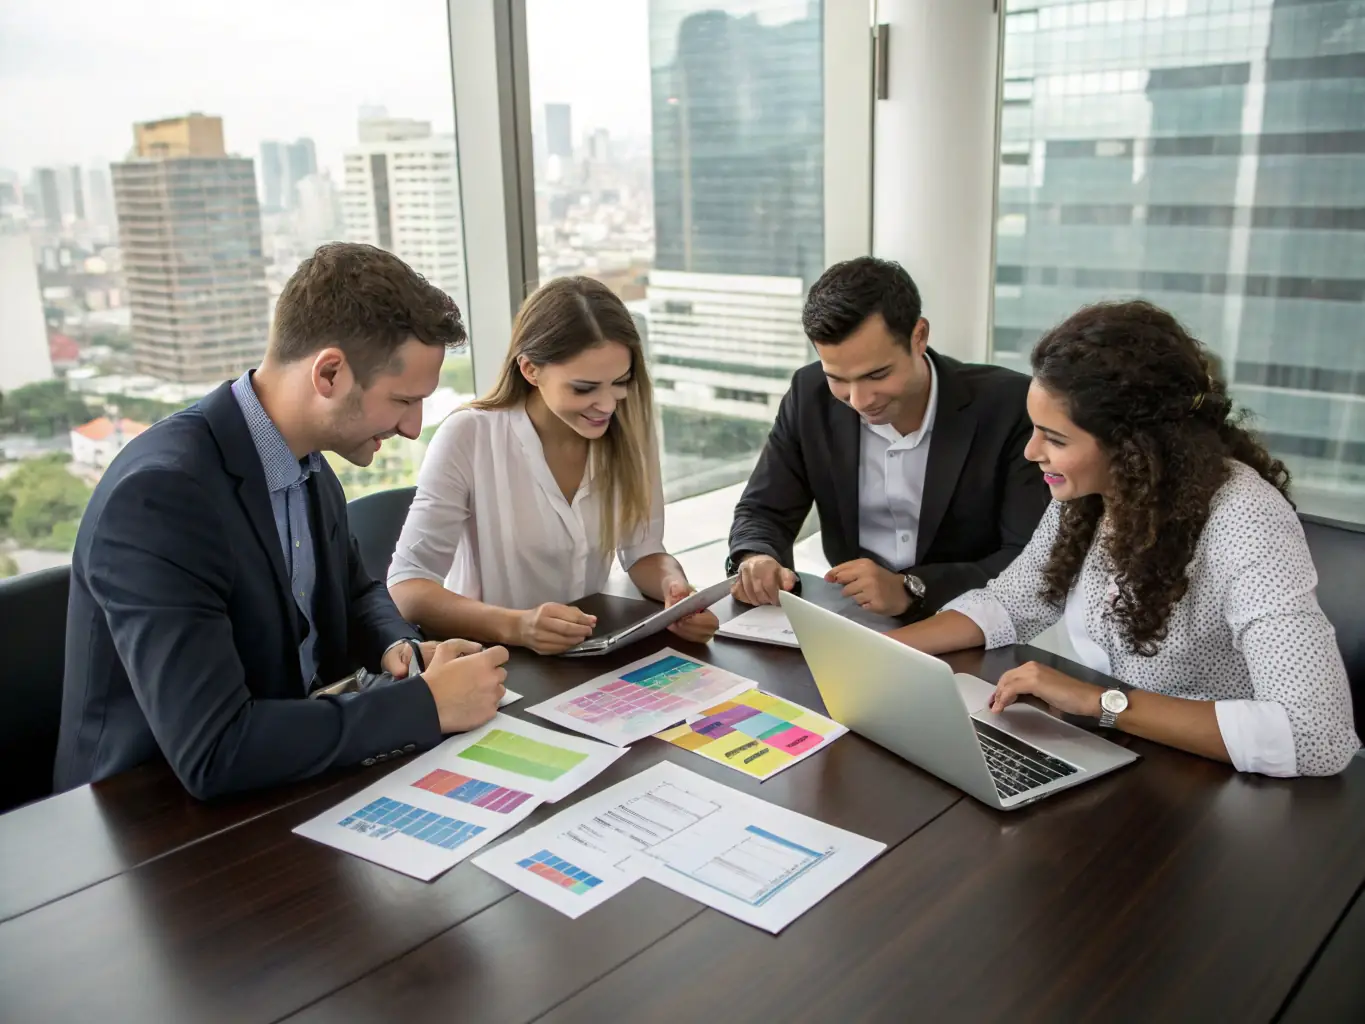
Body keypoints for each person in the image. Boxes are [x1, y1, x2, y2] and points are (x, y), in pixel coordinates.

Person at [54, 243, 510, 800]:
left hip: (281, 783)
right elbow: (215, 749)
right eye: (403, 401)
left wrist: (400, 650)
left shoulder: (308, 460)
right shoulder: (161, 497)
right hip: (146, 824)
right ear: (330, 374)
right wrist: (425, 705)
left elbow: (355, 591)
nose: (414, 428)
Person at [890, 300, 1359, 777]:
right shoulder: (1096, 489)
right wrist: (885, 656)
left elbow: (1317, 736)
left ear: (1133, 447)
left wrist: (1099, 702)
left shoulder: (1246, 520)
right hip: (1135, 754)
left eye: (1055, 439)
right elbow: (1014, 601)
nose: (1033, 452)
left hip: (1230, 786)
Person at [388, 276, 719, 655]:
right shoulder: (470, 435)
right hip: (494, 663)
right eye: (584, 388)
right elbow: (408, 588)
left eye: (620, 382)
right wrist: (520, 626)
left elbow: (643, 551)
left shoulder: (629, 431)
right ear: (530, 370)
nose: (608, 405)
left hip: (587, 656)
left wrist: (675, 591)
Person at [728, 256, 1049, 617]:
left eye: (877, 375)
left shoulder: (1008, 407)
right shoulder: (810, 393)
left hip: (974, 620)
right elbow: (763, 509)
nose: (859, 401)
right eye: (838, 378)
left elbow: (1028, 556)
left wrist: (913, 588)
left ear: (919, 336)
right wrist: (757, 557)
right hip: (854, 617)